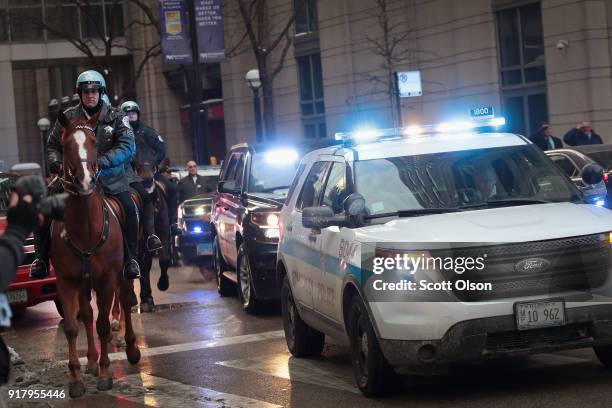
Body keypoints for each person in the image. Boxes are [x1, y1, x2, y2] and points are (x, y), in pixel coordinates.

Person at [30, 70, 141, 280]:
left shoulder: (117, 116)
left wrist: (102, 162)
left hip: (110, 179)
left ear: (101, 92)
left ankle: (131, 259)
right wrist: (55, 162)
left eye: (94, 91)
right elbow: (53, 145)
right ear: (80, 94)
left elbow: (128, 146)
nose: (90, 95)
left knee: (130, 207)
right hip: (73, 180)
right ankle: (41, 259)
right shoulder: (69, 116)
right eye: (85, 91)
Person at [120, 101, 163, 252]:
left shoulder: (148, 132)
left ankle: (170, 226)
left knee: (171, 188)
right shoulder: (119, 133)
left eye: (133, 113)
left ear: (138, 114)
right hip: (127, 174)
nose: (131, 115)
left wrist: (153, 164)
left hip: (149, 172)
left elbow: (160, 149)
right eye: (128, 113)